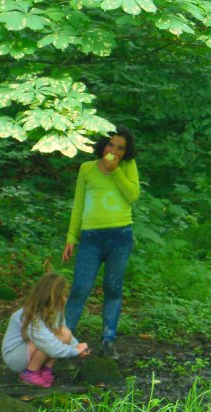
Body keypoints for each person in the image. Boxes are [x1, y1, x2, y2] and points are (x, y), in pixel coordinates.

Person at [62, 127, 140, 359]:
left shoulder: (128, 166)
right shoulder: (87, 168)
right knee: (80, 288)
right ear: (103, 145)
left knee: (113, 288)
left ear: (126, 152)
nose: (114, 151)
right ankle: (63, 340)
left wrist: (115, 171)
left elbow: (133, 196)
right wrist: (71, 237)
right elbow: (78, 205)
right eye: (111, 145)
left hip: (120, 236)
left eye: (120, 148)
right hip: (91, 238)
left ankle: (108, 340)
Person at [2, 272, 90, 388]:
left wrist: (78, 346)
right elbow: (48, 344)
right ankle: (30, 373)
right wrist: (74, 352)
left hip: (32, 349)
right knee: (47, 340)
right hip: (15, 357)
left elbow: (63, 335)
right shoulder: (30, 314)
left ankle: (44, 370)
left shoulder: (55, 311)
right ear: (53, 297)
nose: (65, 299)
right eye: (63, 295)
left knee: (64, 332)